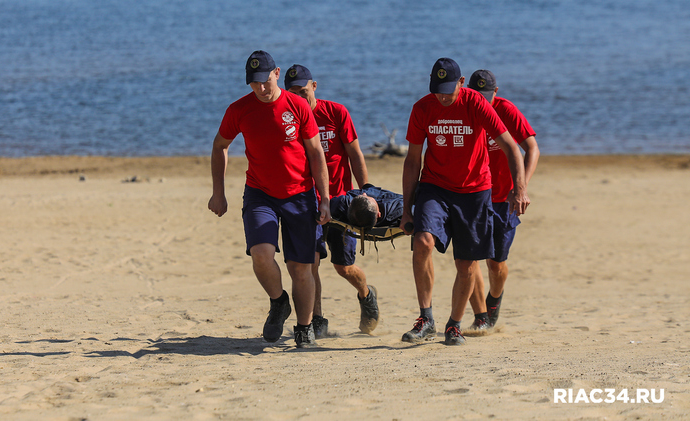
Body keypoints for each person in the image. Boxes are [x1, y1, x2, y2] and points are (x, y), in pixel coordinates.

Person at [399, 57, 530, 346]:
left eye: (448, 89)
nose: (443, 97)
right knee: (422, 242)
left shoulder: (476, 103)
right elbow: (412, 161)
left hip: (474, 189)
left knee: (467, 263)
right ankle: (426, 318)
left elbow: (511, 146)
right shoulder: (423, 108)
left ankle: (454, 325)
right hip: (435, 185)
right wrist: (407, 209)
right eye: (437, 90)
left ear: (461, 83)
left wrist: (519, 188)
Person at [208, 50, 332, 348]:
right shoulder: (239, 109)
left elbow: (315, 152)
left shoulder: (297, 105)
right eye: (254, 84)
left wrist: (325, 198)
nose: (261, 89)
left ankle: (303, 328)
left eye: (265, 81)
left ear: (277, 74)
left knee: (301, 268)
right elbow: (220, 145)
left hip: (300, 195)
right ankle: (278, 302)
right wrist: (218, 191)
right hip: (260, 193)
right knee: (261, 255)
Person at [283, 65, 377, 336]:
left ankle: (366, 292)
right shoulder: (289, 119)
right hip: (305, 202)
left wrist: (366, 191)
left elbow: (356, 154)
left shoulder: (336, 113)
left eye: (304, 91)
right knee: (310, 263)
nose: (301, 98)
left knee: (343, 267)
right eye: (294, 94)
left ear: (314, 86)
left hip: (340, 201)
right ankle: (317, 320)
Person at [466, 70, 539, 332]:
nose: (482, 102)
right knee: (468, 259)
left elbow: (532, 148)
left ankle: (494, 300)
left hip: (503, 198)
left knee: (495, 264)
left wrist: (521, 188)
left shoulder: (506, 110)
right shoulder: (464, 108)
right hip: (472, 195)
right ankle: (481, 316)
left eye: (487, 96)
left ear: (496, 93)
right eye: (477, 96)